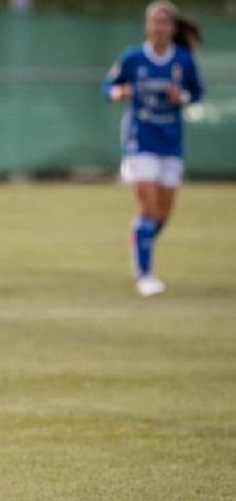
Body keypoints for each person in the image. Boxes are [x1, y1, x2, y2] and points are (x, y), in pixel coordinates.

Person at [103, 1, 203, 297]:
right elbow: (107, 86)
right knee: (147, 207)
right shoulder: (133, 58)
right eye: (154, 22)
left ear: (172, 28)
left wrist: (181, 96)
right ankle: (145, 275)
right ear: (147, 26)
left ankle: (140, 238)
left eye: (164, 23)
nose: (158, 28)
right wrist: (118, 92)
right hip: (139, 140)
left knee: (163, 214)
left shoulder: (182, 59)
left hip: (170, 142)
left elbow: (196, 91)